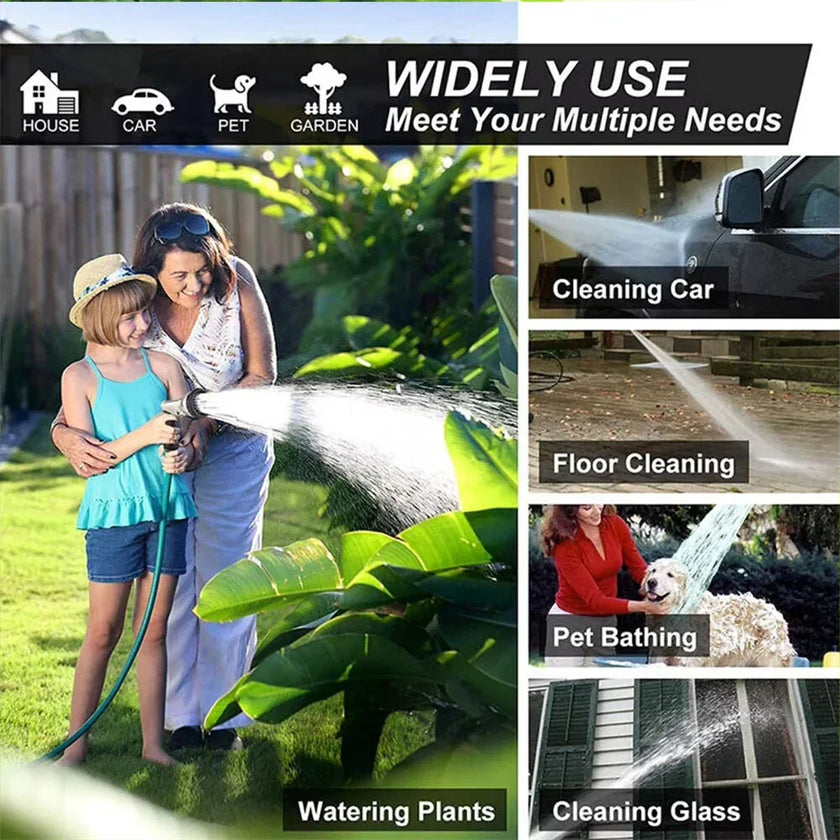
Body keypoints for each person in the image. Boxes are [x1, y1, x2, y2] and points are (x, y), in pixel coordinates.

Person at [51, 203, 277, 751]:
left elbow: (262, 376)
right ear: (152, 270)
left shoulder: (236, 281)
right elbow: (89, 384)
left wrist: (203, 425)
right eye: (180, 276)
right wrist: (63, 434)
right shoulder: (131, 300)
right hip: (163, 460)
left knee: (227, 579)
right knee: (172, 586)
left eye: (203, 271)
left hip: (235, 449)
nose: (195, 285)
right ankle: (178, 719)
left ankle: (225, 719)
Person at [59, 254, 196, 765]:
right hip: (112, 518)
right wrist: (148, 434)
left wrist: (184, 451)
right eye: (129, 317)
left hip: (167, 512)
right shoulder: (79, 377)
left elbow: (186, 435)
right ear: (99, 318)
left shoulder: (164, 368)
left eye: (144, 313)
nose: (142, 324)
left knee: (153, 631)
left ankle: (153, 746)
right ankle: (76, 746)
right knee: (103, 632)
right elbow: (94, 460)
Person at [540, 504, 667, 665]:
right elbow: (596, 601)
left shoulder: (615, 524)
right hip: (569, 623)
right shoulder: (564, 544)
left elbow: (638, 568)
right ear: (570, 511)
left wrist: (660, 588)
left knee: (602, 676)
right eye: (587, 508)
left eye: (598, 502)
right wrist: (645, 606)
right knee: (567, 679)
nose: (596, 511)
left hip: (605, 622)